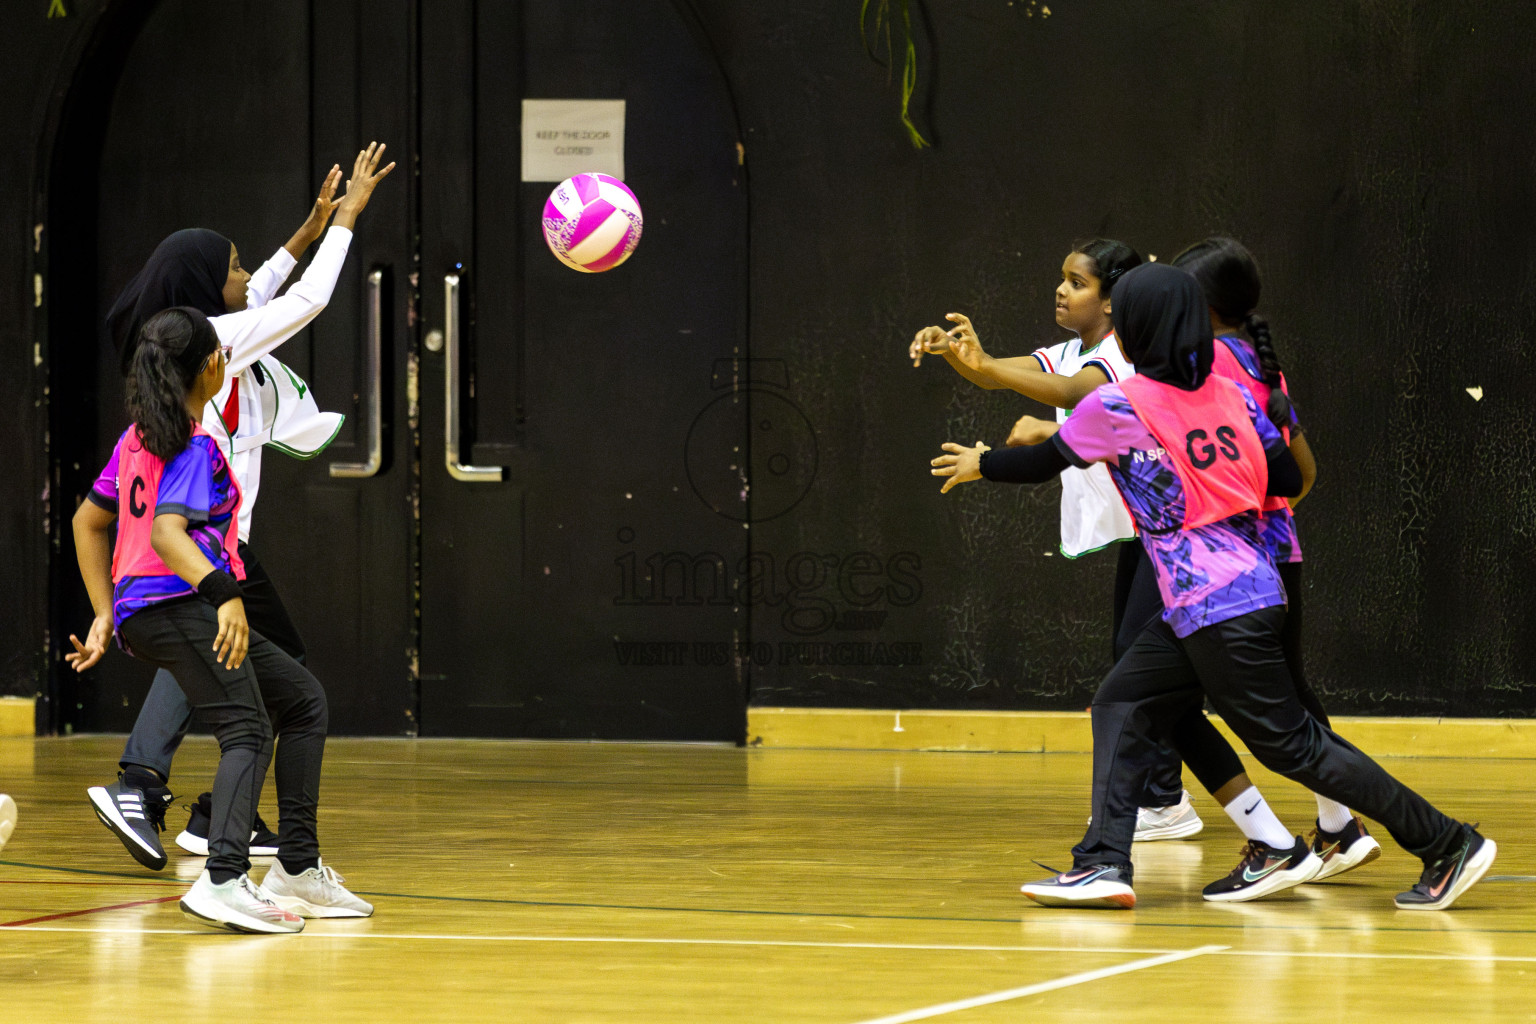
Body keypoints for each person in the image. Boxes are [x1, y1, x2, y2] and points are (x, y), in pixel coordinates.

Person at [930, 262, 1495, 911]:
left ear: (1134, 332)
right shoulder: (1232, 396)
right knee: (1121, 700)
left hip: (1216, 604)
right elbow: (1284, 477)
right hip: (1237, 589)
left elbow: (1040, 462)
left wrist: (982, 463)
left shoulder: (1119, 404)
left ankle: (1447, 842)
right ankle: (1104, 862)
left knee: (1292, 745)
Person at [85, 143, 394, 869]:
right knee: (266, 665)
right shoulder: (215, 340)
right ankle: (157, 792)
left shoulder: (196, 335)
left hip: (216, 541)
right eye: (232, 264)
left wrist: (307, 232)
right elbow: (300, 305)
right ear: (201, 284)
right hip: (208, 544)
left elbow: (259, 299)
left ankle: (197, 807)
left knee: (248, 661)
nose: (246, 273)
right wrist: (348, 219)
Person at [69, 308, 371, 931]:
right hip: (176, 602)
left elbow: (87, 521)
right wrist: (226, 594)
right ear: (210, 367)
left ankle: (296, 865)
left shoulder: (138, 438)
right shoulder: (194, 445)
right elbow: (167, 531)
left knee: (302, 699)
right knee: (249, 730)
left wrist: (105, 612)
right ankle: (225, 879)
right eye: (223, 357)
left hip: (147, 609)